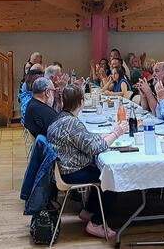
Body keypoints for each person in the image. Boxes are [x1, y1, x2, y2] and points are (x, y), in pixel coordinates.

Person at [47, 85, 128, 239]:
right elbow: (94, 148)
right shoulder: (72, 123)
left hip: (65, 166)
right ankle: (96, 223)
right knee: (109, 176)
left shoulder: (62, 117)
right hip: (70, 172)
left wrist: (105, 135)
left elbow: (84, 140)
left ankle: (88, 211)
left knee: (96, 169)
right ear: (82, 102)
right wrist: (116, 133)